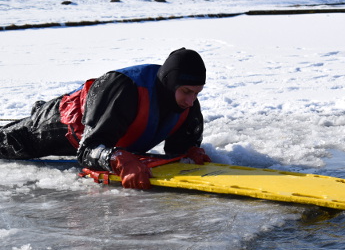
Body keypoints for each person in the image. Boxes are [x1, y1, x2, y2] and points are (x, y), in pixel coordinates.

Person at [0, 47, 211, 189]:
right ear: (170, 84)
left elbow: (180, 149)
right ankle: (39, 110)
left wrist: (191, 151)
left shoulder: (188, 103)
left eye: (196, 93)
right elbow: (87, 150)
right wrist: (116, 158)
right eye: (186, 91)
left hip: (106, 130)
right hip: (64, 124)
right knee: (8, 143)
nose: (191, 101)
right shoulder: (125, 89)